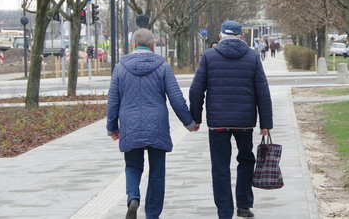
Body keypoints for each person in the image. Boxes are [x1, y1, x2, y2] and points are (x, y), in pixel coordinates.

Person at [107, 28, 198, 219]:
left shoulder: (120, 67)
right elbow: (176, 99)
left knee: (133, 166)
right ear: (153, 45)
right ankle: (152, 215)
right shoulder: (162, 66)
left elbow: (113, 100)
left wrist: (112, 128)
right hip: (157, 125)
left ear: (133, 44)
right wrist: (189, 123)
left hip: (130, 124)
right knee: (157, 172)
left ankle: (133, 198)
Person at [189, 20, 273, 219]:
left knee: (220, 166)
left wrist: (195, 118)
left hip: (218, 123)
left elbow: (196, 90)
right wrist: (266, 123)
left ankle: (224, 211)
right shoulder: (252, 57)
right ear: (241, 36)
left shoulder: (209, 56)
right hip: (244, 122)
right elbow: (263, 91)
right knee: (246, 159)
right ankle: (244, 205)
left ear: (220, 36)